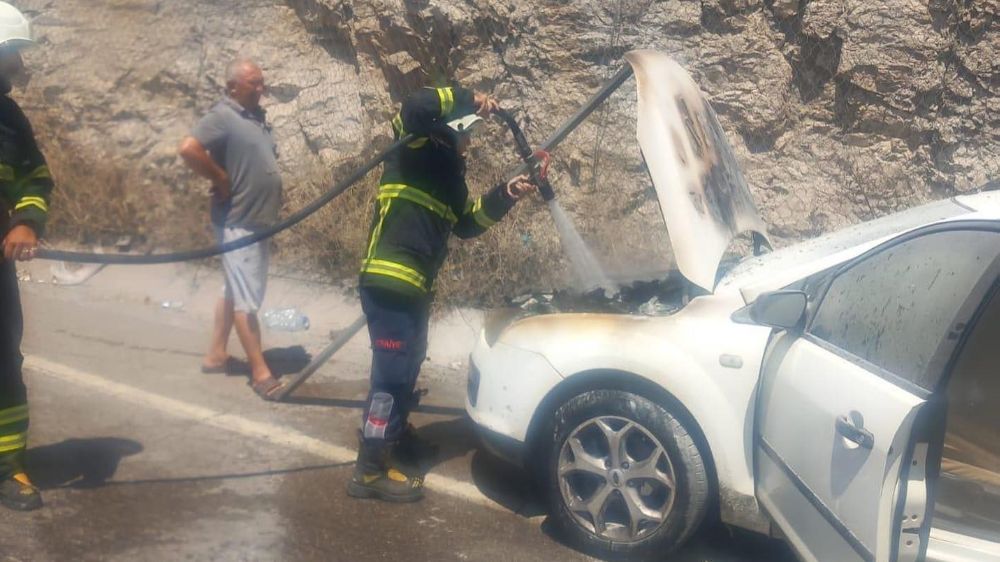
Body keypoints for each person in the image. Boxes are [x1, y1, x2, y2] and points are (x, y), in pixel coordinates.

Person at [348, 84, 537, 502]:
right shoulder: (411, 146)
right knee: (391, 375)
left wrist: (507, 194)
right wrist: (472, 99)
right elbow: (416, 103)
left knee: (409, 364)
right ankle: (369, 468)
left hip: (415, 288)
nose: (470, 142)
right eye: (466, 133)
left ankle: (394, 436)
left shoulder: (451, 181)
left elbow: (467, 224)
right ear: (449, 131)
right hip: (387, 281)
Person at [179, 58, 286, 400]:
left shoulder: (255, 119)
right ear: (233, 88)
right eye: (254, 83)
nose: (261, 88)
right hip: (238, 221)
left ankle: (215, 355)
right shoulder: (224, 115)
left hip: (255, 221)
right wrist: (219, 177)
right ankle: (260, 372)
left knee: (233, 288)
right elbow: (189, 148)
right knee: (246, 300)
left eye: (261, 82)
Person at [0, 1, 53, 511]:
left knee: (2, 364)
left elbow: (35, 178)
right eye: (11, 52)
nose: (17, 64)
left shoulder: (9, 117)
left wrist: (25, 221)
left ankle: (6, 466)